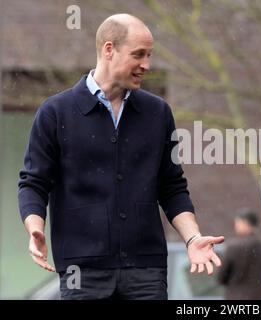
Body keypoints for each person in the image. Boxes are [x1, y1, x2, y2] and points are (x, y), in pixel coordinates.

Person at [18, 13, 224, 300]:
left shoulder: (158, 113)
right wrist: (35, 229)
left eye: (149, 55)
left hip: (147, 271)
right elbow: (33, 182)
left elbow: (172, 186)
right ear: (109, 49)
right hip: (82, 271)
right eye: (138, 55)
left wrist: (192, 237)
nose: (146, 65)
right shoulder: (56, 112)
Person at [217, 209, 261, 300]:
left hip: (237, 297)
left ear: (244, 223)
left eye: (237, 223)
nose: (236, 226)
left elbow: (221, 277)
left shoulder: (233, 247)